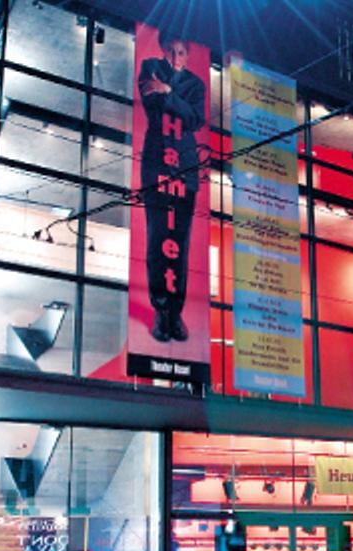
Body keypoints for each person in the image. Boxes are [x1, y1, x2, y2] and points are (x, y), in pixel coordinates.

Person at [138, 32, 206, 343]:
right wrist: (169, 96)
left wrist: (167, 91)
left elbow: (195, 121)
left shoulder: (196, 84)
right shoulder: (149, 66)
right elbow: (151, 101)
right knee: (157, 237)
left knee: (181, 242)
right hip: (158, 164)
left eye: (182, 51)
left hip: (185, 170)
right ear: (164, 50)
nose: (177, 56)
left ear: (188, 54)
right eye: (173, 50)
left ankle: (174, 312)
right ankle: (160, 310)